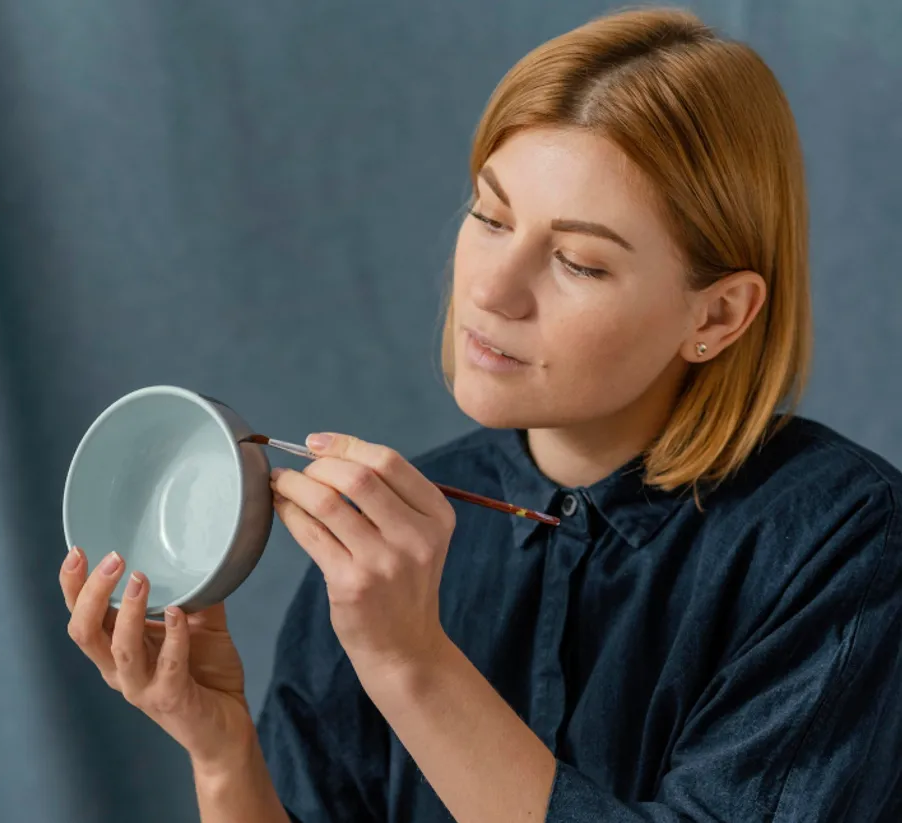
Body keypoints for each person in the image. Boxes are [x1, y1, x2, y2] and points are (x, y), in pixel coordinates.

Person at [59, 7, 902, 822]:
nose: (492, 290)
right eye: (490, 216)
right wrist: (221, 752)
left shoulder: (846, 546)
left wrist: (410, 661)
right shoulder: (385, 543)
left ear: (715, 317)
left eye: (578, 261)